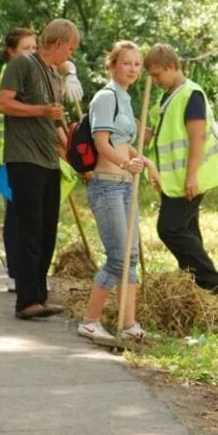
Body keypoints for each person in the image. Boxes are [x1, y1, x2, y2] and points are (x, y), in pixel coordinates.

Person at [0, 18, 79, 319]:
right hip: (24, 160)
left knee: (47, 231)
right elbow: (2, 104)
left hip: (48, 160)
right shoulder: (23, 65)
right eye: (69, 49)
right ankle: (26, 300)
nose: (70, 55)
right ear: (57, 44)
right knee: (30, 230)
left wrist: (72, 153)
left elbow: (54, 122)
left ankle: (39, 296)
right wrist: (39, 110)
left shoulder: (53, 75)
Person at [77, 41, 161, 343]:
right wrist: (126, 163)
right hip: (107, 185)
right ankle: (89, 321)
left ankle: (129, 324)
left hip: (126, 185)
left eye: (137, 64)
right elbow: (102, 144)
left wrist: (147, 163)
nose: (133, 69)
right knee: (118, 257)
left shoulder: (125, 99)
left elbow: (126, 144)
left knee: (132, 256)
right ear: (112, 65)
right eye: (127, 63)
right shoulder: (105, 97)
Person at [145, 44, 218, 295]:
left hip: (189, 177)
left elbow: (197, 137)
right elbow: (160, 136)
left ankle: (211, 280)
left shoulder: (191, 94)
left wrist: (191, 176)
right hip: (173, 179)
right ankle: (194, 284)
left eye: (157, 74)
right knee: (188, 229)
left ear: (172, 67)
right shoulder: (169, 96)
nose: (155, 80)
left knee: (169, 228)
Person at [0, 28, 37, 293]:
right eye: (26, 48)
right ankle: (15, 273)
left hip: (19, 154)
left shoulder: (22, 73)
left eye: (34, 47)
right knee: (17, 215)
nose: (32, 52)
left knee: (22, 213)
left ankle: (21, 271)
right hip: (10, 156)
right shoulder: (11, 75)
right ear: (11, 51)